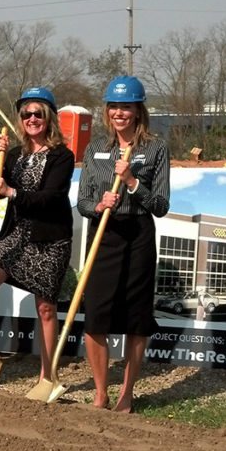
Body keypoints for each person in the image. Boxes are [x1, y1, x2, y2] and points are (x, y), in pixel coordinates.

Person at [0, 87, 75, 381]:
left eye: (38, 113)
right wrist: (0, 160)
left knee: (46, 308)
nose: (32, 118)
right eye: (27, 114)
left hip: (49, 239)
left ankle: (47, 374)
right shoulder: (14, 155)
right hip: (16, 234)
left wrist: (11, 191)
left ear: (48, 118)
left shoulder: (62, 156)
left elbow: (51, 197)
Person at [77, 75, 170, 412]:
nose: (120, 112)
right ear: (107, 111)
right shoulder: (95, 149)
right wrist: (98, 205)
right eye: (114, 106)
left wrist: (132, 181)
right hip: (103, 234)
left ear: (138, 110)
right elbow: (82, 201)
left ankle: (127, 393)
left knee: (136, 318)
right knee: (96, 316)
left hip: (138, 236)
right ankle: (101, 393)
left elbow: (160, 206)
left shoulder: (155, 148)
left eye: (126, 106)